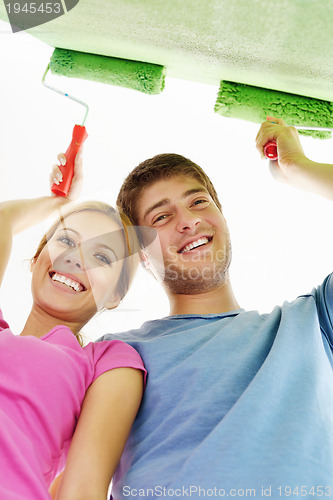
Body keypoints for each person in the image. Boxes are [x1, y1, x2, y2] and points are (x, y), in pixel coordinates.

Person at [99, 118, 333, 499]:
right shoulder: (118, 353)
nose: (188, 221)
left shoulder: (314, 321)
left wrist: (299, 169)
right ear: (142, 255)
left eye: (198, 202)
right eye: (162, 216)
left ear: (222, 217)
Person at [0, 153, 146, 500]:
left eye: (101, 257)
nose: (75, 257)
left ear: (115, 295)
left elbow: (84, 488)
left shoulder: (107, 361)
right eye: (66, 241)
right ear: (37, 258)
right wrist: (57, 202)